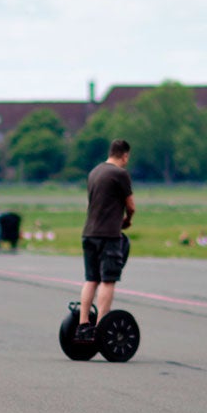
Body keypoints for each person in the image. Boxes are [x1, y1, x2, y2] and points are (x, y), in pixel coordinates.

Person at [77, 138, 134, 341]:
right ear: (124, 155)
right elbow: (131, 206)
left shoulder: (94, 172)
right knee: (108, 280)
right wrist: (127, 220)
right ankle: (101, 325)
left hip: (89, 232)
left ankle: (83, 324)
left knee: (91, 279)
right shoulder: (120, 174)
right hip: (109, 235)